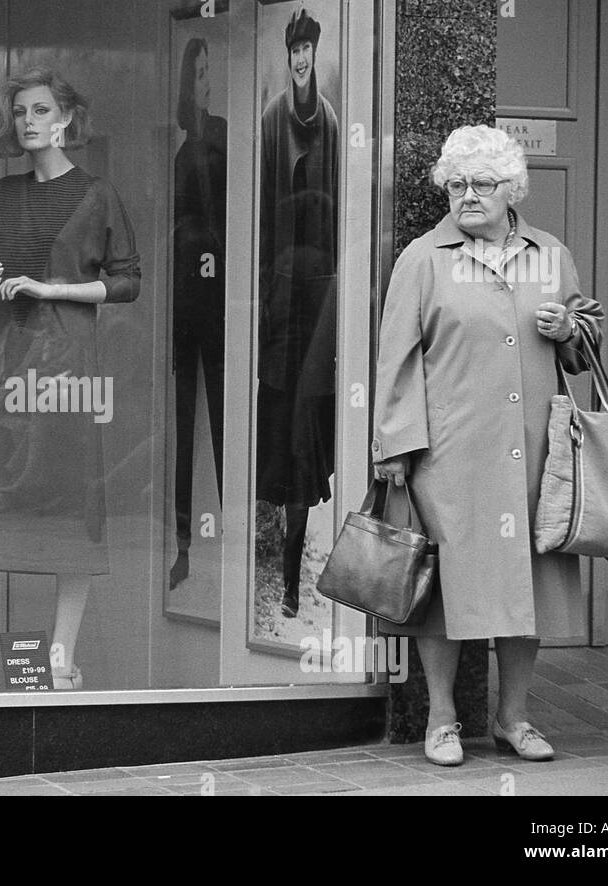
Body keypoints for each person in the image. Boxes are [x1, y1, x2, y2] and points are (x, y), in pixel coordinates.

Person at [373, 124, 605, 766]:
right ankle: (442, 720)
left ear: (512, 190)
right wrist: (395, 444)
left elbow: (584, 350)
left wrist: (567, 330)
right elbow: (396, 356)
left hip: (531, 453)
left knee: (524, 586)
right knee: (445, 589)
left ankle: (514, 717)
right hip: (450, 453)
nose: (466, 195)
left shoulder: (549, 254)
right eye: (456, 184)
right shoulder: (423, 258)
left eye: (481, 184)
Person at [0, 66, 141, 692]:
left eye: (38, 112)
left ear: (64, 120)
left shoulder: (98, 193)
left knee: (69, 508)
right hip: (7, 364)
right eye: (21, 113)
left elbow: (127, 282)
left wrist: (48, 287)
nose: (27, 123)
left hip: (68, 368)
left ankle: (59, 662)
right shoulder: (5, 192)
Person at [256, 7, 339, 619]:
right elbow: (260, 211)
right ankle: (263, 567)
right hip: (276, 302)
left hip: (317, 306)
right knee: (274, 438)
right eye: (295, 49)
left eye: (308, 47)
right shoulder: (269, 121)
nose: (302, 57)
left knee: (305, 447)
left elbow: (335, 212)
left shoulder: (331, 122)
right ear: (287, 56)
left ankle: (289, 579)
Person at [169, 37, 227, 591]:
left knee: (226, 423)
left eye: (209, 71)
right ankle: (184, 541)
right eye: (198, 74)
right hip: (186, 302)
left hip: (219, 303)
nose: (204, 82)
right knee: (185, 425)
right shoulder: (184, 150)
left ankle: (234, 540)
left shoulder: (222, 139)